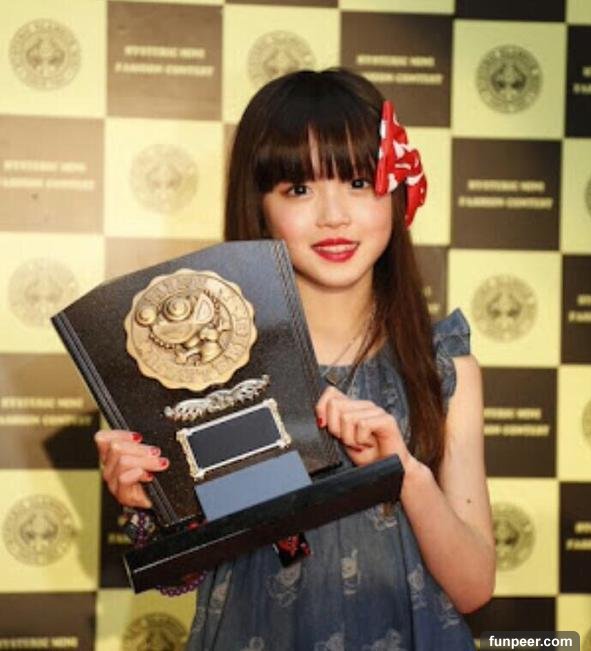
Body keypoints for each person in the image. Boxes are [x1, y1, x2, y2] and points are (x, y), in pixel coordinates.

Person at [96, 68, 495, 650]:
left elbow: (474, 587)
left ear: (397, 190)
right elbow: (183, 576)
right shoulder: (206, 367)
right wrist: (154, 504)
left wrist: (404, 473)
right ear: (259, 205)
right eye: (299, 189)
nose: (334, 215)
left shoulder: (443, 367)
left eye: (358, 181)